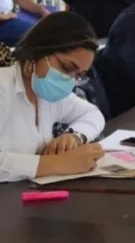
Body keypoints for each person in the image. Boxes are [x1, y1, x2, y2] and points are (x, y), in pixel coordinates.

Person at [0, 11, 106, 183]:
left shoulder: (47, 92)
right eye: (66, 67)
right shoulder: (3, 88)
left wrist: (74, 136)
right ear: (39, 51)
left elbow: (93, 114)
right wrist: (54, 164)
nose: (69, 81)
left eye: (78, 75)